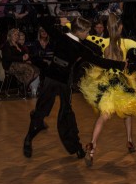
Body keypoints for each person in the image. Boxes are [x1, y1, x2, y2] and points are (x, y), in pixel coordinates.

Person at [23, 16, 126, 159]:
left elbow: (99, 60)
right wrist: (60, 19)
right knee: (48, 112)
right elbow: (42, 20)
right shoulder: (69, 41)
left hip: (60, 81)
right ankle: (29, 139)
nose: (88, 35)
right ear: (79, 31)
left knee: (64, 115)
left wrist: (119, 65)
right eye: (87, 32)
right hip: (53, 80)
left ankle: (75, 147)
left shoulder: (74, 43)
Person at [79, 13, 136, 167]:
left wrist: (67, 24)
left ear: (106, 28)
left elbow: (83, 36)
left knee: (104, 116)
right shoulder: (126, 42)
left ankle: (92, 147)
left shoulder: (102, 41)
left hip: (106, 83)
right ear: (121, 27)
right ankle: (129, 141)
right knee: (127, 111)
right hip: (121, 82)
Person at [1, 29, 40, 96]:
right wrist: (21, 58)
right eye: (15, 34)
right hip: (10, 65)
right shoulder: (7, 45)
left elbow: (25, 53)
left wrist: (27, 57)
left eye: (17, 35)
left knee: (36, 70)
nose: (17, 36)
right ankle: (23, 89)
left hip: (20, 63)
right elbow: (8, 57)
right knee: (30, 69)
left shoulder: (18, 45)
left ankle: (23, 86)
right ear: (10, 36)